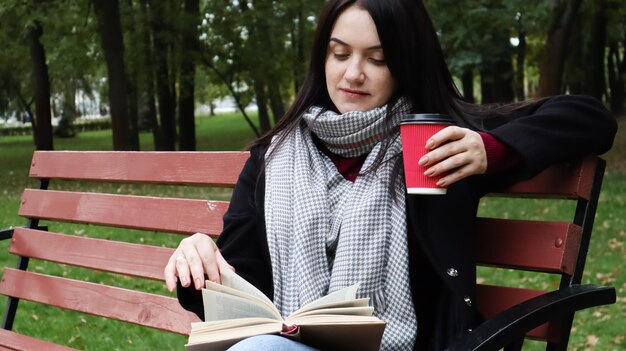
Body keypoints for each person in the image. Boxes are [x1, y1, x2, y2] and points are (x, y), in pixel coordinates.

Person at [164, 0, 618, 350]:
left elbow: (588, 117)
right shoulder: (274, 158)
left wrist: (490, 150)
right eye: (339, 54)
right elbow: (241, 294)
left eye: (377, 59)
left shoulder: (436, 141)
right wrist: (198, 261)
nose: (353, 74)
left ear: (406, 65)